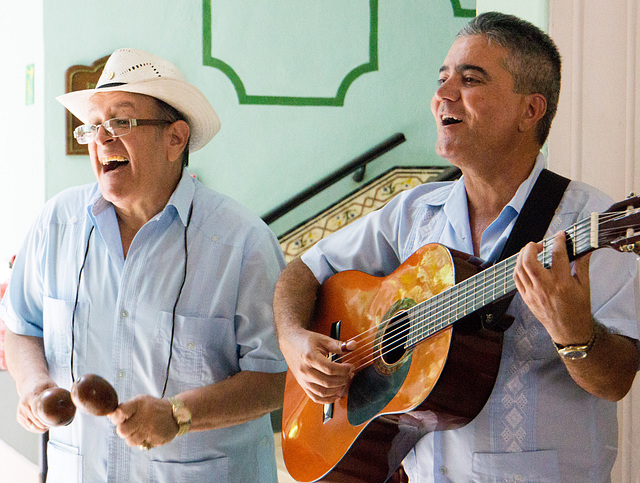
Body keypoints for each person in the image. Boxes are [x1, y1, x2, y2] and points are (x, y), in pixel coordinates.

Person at [273, 12, 640, 482]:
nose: (442, 96)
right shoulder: (412, 213)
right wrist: (294, 342)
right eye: (442, 79)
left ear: (530, 111)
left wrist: (574, 332)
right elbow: (302, 270)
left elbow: (616, 380)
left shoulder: (584, 224)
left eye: (470, 80)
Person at [1, 48, 287, 482]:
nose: (102, 138)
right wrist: (35, 387)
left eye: (122, 121)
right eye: (94, 126)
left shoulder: (242, 243)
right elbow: (23, 328)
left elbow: (276, 378)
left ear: (175, 138)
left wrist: (180, 414)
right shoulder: (56, 223)